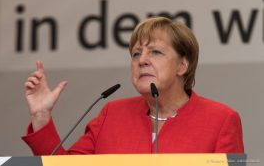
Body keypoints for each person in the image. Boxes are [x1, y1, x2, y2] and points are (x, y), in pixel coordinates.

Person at [22, 17, 244, 155]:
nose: (142, 60)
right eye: (136, 53)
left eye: (155, 52)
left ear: (182, 65)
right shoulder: (112, 114)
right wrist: (41, 116)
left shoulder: (221, 120)